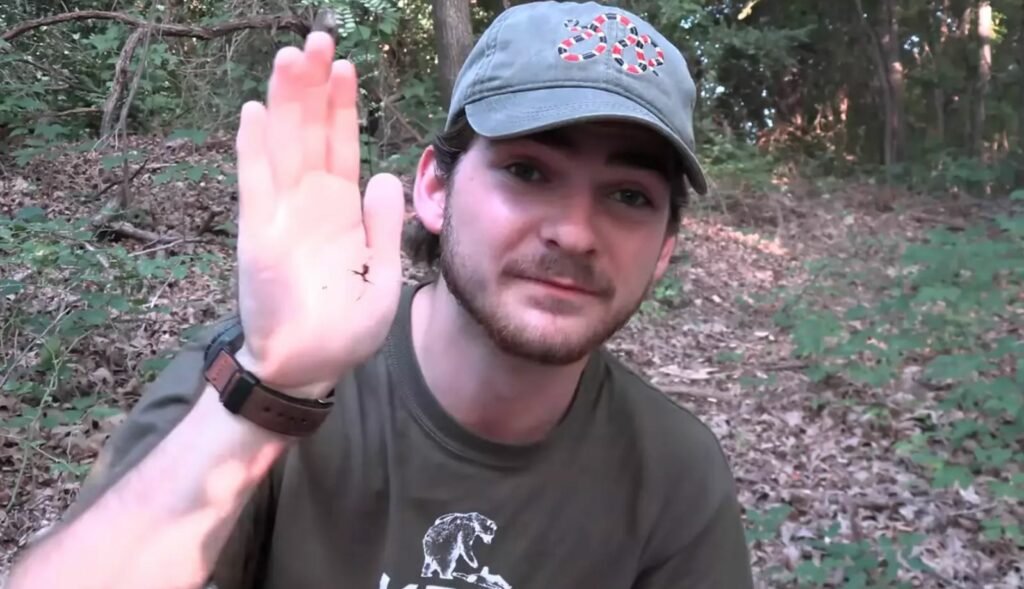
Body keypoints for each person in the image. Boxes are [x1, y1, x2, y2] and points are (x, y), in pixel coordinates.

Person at [7, 1, 754, 587]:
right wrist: (278, 384)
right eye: (528, 171)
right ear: (434, 187)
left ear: (663, 251)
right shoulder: (256, 377)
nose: (575, 232)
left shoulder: (671, 472)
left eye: (627, 194)